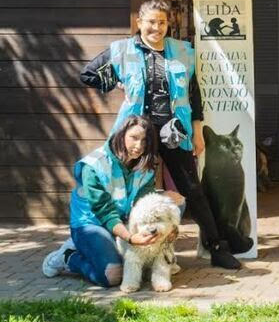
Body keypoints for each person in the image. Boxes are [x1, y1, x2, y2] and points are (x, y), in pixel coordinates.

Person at [80, 0, 243, 269]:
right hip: (137, 133)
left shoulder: (182, 51)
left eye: (162, 22)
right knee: (124, 186)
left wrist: (198, 130)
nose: (156, 27)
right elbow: (88, 74)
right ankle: (118, 243)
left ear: (169, 24)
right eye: (151, 22)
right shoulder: (122, 50)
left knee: (193, 189)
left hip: (174, 131)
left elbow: (194, 93)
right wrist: (117, 81)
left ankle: (217, 247)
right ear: (139, 22)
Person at [42, 116, 181, 286]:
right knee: (113, 275)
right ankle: (69, 257)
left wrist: (170, 227)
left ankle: (102, 250)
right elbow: (105, 211)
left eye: (145, 141)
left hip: (122, 219)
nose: (139, 146)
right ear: (121, 134)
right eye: (134, 138)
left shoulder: (145, 166)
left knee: (176, 203)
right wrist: (131, 238)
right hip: (90, 224)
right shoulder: (93, 166)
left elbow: (142, 204)